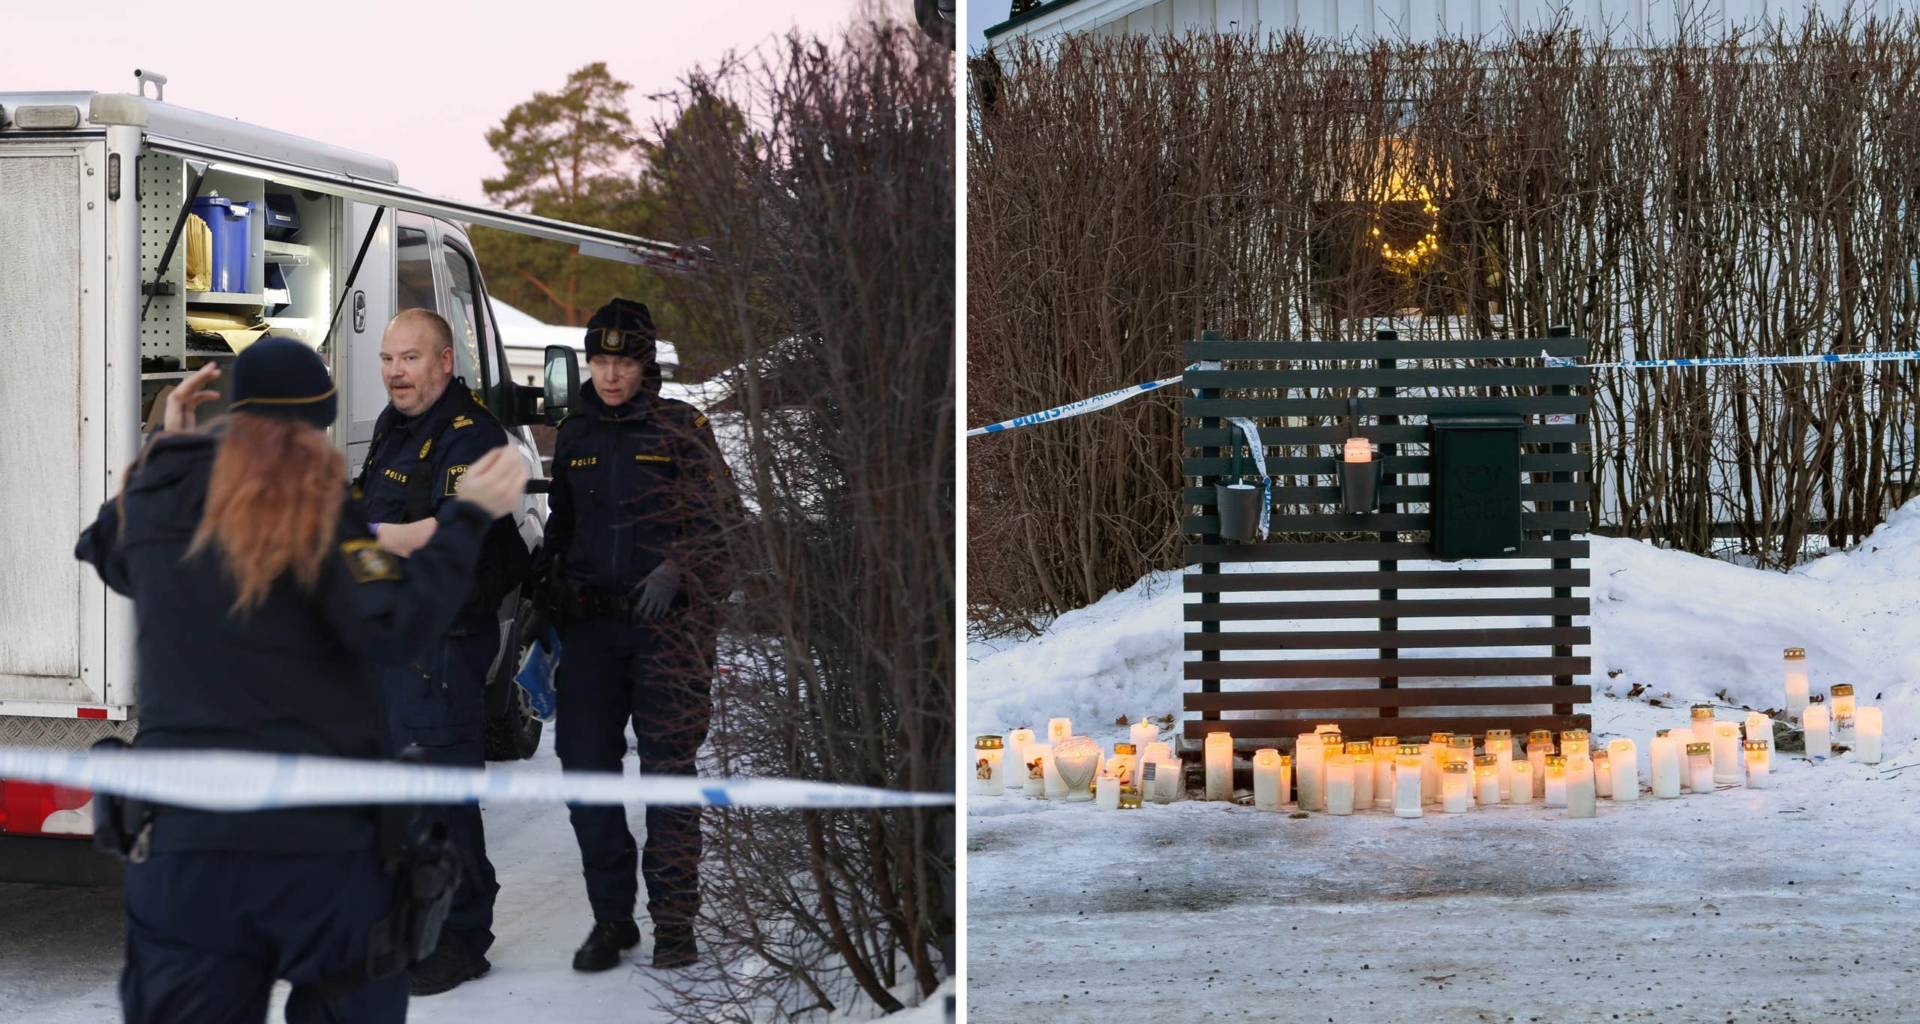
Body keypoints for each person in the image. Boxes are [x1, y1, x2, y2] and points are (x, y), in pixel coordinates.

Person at [74, 338, 527, 1023]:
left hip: (190, 856)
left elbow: (106, 549)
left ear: (238, 414)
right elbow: (396, 626)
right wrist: (467, 517)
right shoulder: (319, 513)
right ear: (315, 428)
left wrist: (166, 449)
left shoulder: (162, 501)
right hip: (324, 859)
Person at [534, 298, 725, 972]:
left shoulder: (682, 429)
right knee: (586, 773)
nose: (612, 374)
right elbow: (561, 527)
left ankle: (675, 923)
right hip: (591, 631)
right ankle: (611, 919)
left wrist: (679, 571)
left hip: (666, 635)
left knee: (669, 776)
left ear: (647, 364)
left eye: (625, 361)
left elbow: (721, 525)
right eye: (602, 360)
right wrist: (544, 590)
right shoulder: (577, 432)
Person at [352, 308, 526, 994]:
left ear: (445, 362)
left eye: (411, 358)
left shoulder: (469, 435)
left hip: (441, 649)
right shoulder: (398, 429)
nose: (396, 371)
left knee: (442, 795)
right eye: (389, 358)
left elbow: (455, 533)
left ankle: (461, 937)